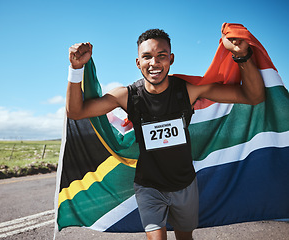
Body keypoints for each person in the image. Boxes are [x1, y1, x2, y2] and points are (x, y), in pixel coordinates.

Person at [65, 23, 265, 240]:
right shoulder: (127, 95)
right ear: (138, 62)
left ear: (171, 59)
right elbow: (76, 112)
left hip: (184, 185)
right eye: (147, 56)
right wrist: (76, 70)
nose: (154, 63)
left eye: (161, 55)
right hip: (148, 186)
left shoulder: (188, 90)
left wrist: (242, 55)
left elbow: (253, 96)